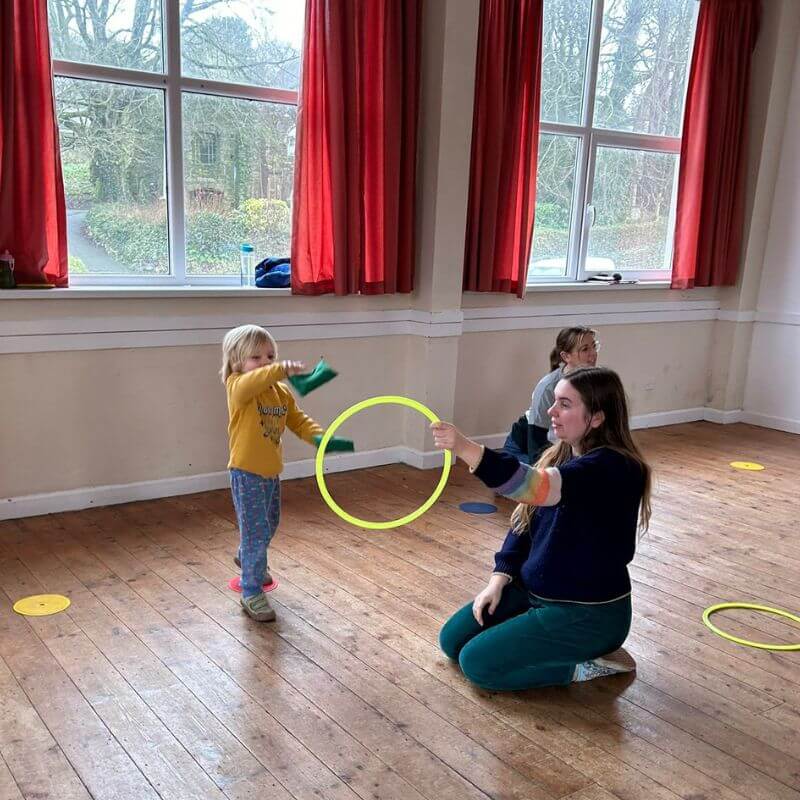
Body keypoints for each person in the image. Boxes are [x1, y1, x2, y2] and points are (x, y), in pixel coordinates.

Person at [431, 366, 651, 690]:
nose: (551, 410)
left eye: (564, 404)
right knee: (452, 641)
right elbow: (522, 525)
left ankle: (587, 666)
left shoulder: (615, 468)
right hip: (535, 592)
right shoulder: (559, 456)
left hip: (587, 614)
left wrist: (465, 448)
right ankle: (538, 634)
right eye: (555, 402)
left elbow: (531, 487)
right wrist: (498, 580)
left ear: (597, 417)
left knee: (478, 665)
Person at [221, 324, 324, 622]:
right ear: (236, 363)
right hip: (246, 473)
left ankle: (246, 555)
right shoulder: (237, 386)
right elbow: (252, 382)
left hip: (271, 472)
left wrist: (319, 437)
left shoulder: (279, 391)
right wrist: (278, 369)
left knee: (269, 524)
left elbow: (297, 419)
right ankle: (251, 591)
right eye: (256, 358)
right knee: (256, 533)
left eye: (270, 356)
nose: (265, 363)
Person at [500, 326, 600, 465]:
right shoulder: (548, 386)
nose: (593, 353)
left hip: (561, 444)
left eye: (594, 346)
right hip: (526, 445)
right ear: (566, 356)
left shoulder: (597, 380)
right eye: (585, 349)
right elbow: (536, 442)